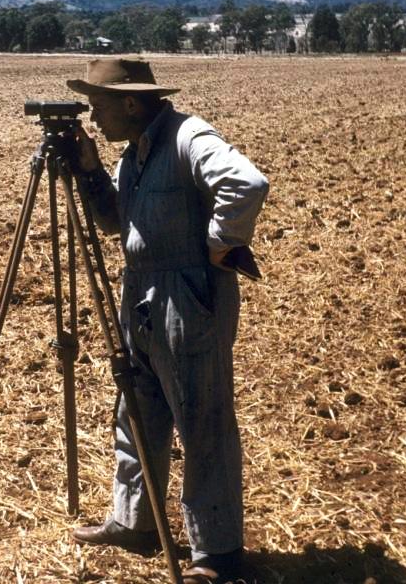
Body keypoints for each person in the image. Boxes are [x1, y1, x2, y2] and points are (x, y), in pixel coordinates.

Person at [67, 58, 269, 584]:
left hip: (187, 300)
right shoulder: (132, 157)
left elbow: (246, 182)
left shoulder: (187, 136)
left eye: (100, 105)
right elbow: (115, 222)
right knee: (136, 412)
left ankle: (218, 556)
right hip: (140, 296)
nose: (95, 117)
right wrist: (89, 170)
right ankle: (136, 523)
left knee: (201, 421)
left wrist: (222, 243)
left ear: (132, 103)